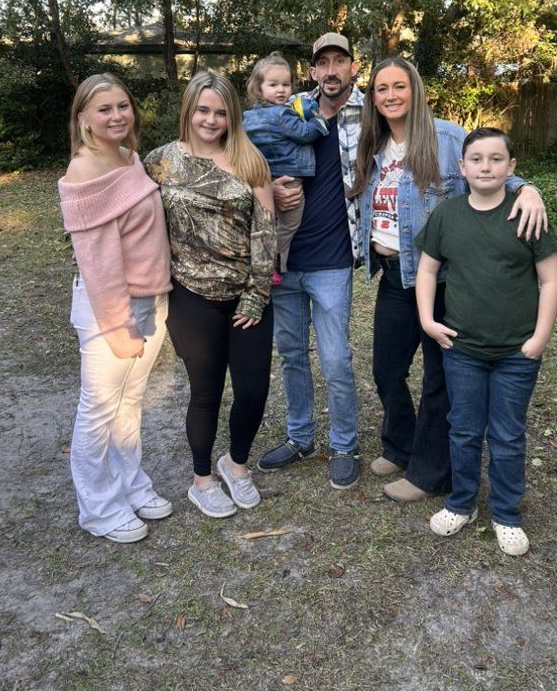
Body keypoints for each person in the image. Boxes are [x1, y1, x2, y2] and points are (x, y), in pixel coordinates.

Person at [351, 59, 548, 503]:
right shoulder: (375, 143)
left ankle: (430, 473)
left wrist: (529, 189)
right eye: (381, 88)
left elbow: (493, 166)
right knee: (386, 369)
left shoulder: (445, 137)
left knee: (438, 379)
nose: (390, 95)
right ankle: (401, 446)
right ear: (373, 97)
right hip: (393, 277)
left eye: (399, 85)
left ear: (414, 89)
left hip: (442, 280)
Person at [416, 127, 557, 556]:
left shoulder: (527, 214)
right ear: (461, 168)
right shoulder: (447, 215)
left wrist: (539, 337)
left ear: (511, 167)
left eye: (496, 159)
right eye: (476, 159)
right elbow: (427, 270)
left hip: (517, 352)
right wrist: (427, 319)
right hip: (463, 350)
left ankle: (506, 512)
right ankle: (462, 503)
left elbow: (550, 279)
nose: (485, 166)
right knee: (462, 430)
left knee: (507, 434)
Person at [145, 71, 276, 519]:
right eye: (203, 110)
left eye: (220, 112)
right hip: (191, 295)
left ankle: (235, 464)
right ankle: (202, 480)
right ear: (188, 110)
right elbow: (133, 215)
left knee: (254, 389)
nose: (211, 119)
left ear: (232, 116)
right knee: (206, 391)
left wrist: (257, 293)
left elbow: (265, 230)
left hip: (246, 296)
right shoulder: (161, 161)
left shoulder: (249, 160)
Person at [59, 73, 173, 544]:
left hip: (151, 298)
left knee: (130, 401)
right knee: (99, 409)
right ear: (83, 117)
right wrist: (117, 324)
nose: (116, 116)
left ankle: (130, 485)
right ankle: (100, 509)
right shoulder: (84, 173)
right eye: (104, 109)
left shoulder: (129, 159)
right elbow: (99, 262)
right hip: (112, 309)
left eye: (122, 106)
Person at [257, 32, 365, 489]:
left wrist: (519, 182)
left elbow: (433, 135)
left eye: (340, 60)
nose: (332, 70)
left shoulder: (371, 112)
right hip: (285, 258)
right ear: (314, 71)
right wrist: (267, 186)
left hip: (332, 261)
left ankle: (344, 444)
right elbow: (241, 152)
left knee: (337, 359)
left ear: (353, 68)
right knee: (293, 354)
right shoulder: (290, 108)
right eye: (324, 63)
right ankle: (300, 437)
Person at [243, 51, 328, 281]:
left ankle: (268, 263)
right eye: (273, 85)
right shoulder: (283, 114)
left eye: (286, 84)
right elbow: (304, 134)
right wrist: (318, 121)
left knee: (266, 219)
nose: (281, 90)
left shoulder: (246, 118)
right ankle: (268, 263)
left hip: (264, 178)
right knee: (290, 223)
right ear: (258, 88)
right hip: (290, 176)